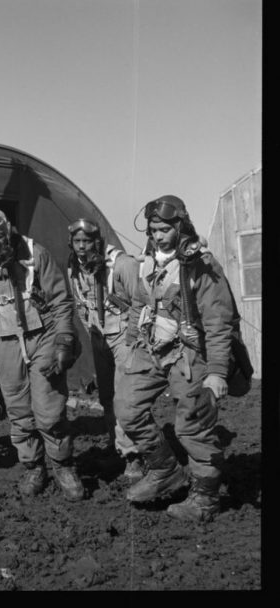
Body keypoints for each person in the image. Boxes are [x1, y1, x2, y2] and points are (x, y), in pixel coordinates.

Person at [114, 194, 245, 522]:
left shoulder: (200, 264)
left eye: (163, 228)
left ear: (180, 225)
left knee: (192, 427)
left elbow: (218, 322)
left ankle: (205, 499)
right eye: (153, 229)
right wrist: (131, 344)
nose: (157, 235)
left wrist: (216, 372)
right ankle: (164, 471)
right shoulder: (149, 259)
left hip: (189, 355)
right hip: (150, 349)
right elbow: (138, 304)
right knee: (127, 410)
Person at [0, 208, 84, 501]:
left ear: (9, 232)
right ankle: (33, 466)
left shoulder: (34, 254)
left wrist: (64, 341)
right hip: (5, 343)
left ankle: (63, 465)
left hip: (43, 337)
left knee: (48, 407)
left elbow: (60, 300)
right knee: (17, 407)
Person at [67, 218, 144, 483]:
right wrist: (91, 332)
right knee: (107, 397)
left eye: (86, 241)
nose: (81, 247)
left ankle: (135, 457)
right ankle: (119, 450)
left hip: (124, 337)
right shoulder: (74, 268)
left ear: (97, 242)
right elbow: (79, 302)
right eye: (77, 242)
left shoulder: (122, 265)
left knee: (126, 398)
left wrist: (133, 336)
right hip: (99, 336)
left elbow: (141, 303)